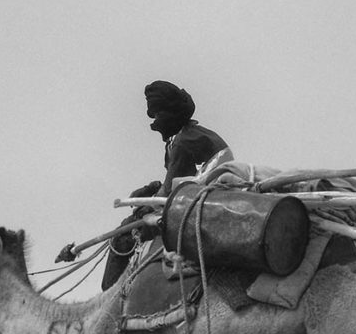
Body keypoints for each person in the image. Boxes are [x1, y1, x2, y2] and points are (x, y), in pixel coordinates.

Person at [57, 81, 231, 290]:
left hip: (202, 202)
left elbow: (173, 188)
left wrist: (145, 206)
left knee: (124, 233)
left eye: (157, 115)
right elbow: (181, 177)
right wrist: (152, 188)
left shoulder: (182, 143)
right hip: (208, 192)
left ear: (168, 115)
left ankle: (110, 296)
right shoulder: (191, 134)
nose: (155, 123)